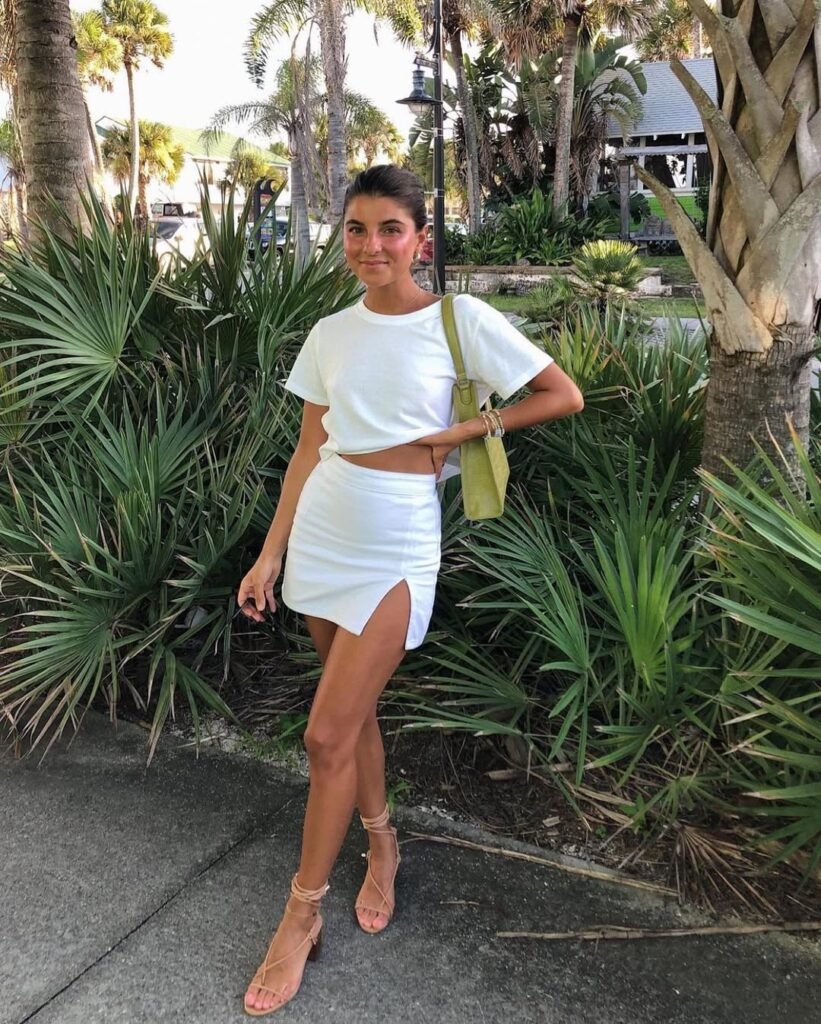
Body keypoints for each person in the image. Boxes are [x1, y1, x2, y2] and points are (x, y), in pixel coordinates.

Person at [236, 164, 584, 1017]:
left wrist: (468, 429)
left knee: (324, 735)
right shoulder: (328, 331)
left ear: (419, 238)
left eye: (389, 229)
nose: (371, 246)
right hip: (323, 524)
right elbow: (306, 450)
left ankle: (299, 917)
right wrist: (269, 555)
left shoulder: (459, 319)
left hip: (396, 534)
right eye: (356, 229)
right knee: (350, 721)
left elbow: (560, 394)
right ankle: (380, 841)